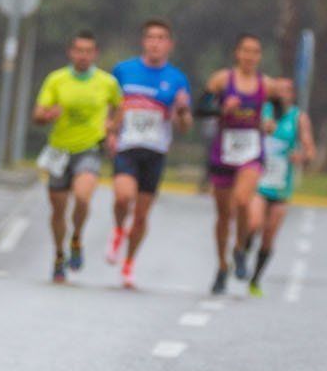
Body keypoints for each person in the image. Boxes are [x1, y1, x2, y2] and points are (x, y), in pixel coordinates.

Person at [106, 19, 192, 289]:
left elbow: (184, 127)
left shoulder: (177, 79)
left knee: (142, 215)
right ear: (144, 42)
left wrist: (181, 111)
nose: (155, 43)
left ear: (170, 44)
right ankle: (119, 230)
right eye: (151, 37)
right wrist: (109, 133)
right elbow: (108, 106)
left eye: (161, 38)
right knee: (123, 197)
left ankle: (129, 263)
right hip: (127, 146)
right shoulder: (123, 71)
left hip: (155, 151)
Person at [197, 33, 284, 294]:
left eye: (255, 52)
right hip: (223, 152)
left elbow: (278, 108)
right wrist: (222, 108)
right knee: (224, 215)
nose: (249, 57)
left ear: (260, 56)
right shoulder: (222, 80)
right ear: (237, 53)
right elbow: (200, 109)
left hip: (251, 152)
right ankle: (222, 266)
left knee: (244, 201)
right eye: (245, 51)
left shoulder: (266, 85)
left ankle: (240, 249)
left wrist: (271, 123)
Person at [32, 31, 122, 283]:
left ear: (95, 54)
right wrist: (47, 115)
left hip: (90, 148)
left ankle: (77, 237)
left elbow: (121, 106)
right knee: (58, 210)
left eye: (88, 51)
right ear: (70, 53)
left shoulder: (106, 82)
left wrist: (112, 128)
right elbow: (37, 113)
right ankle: (59, 255)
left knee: (83, 196)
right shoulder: (56, 80)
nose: (83, 55)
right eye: (78, 50)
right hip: (60, 151)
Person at [245, 79, 315, 296]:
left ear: (292, 94)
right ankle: (240, 257)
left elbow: (310, 150)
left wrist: (301, 156)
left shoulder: (298, 118)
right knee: (253, 223)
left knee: (269, 235)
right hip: (259, 181)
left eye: (287, 90)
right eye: (279, 89)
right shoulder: (262, 110)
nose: (283, 93)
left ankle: (255, 279)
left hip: (281, 186)